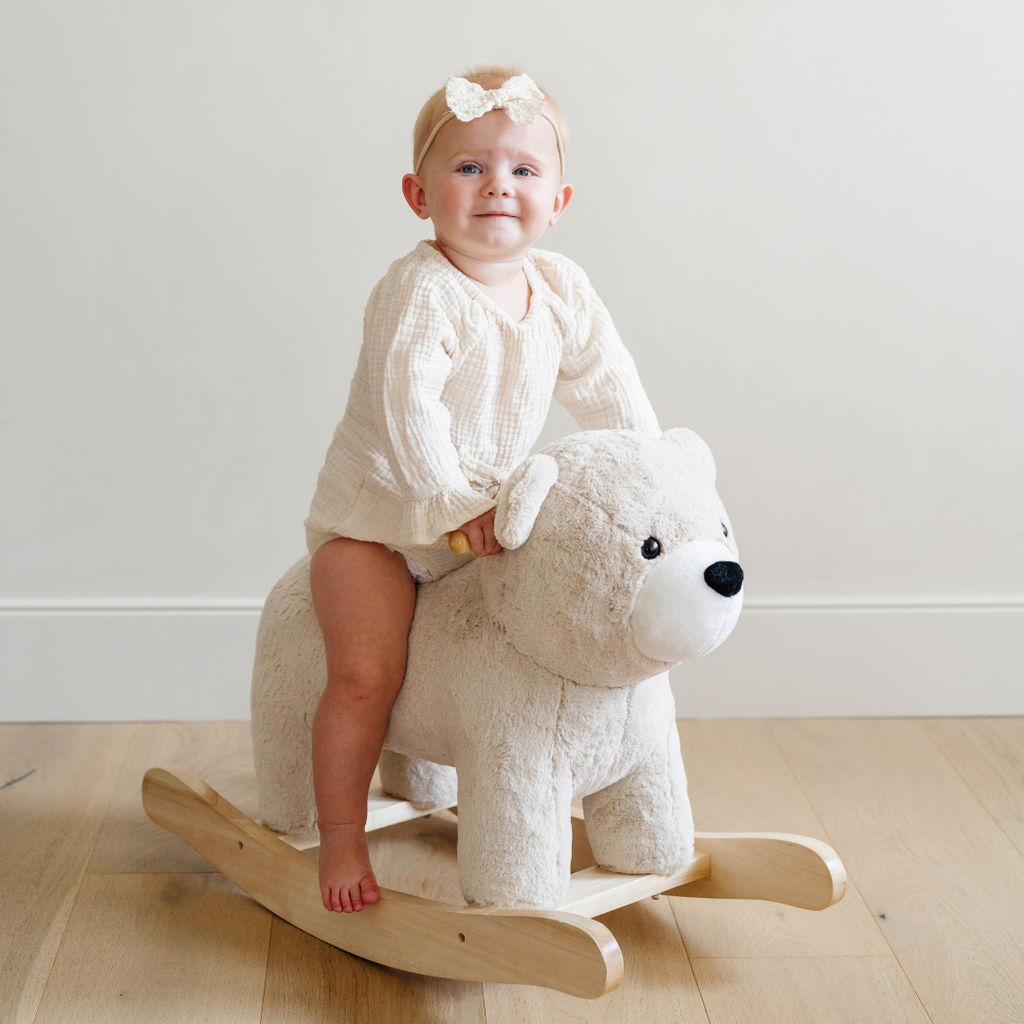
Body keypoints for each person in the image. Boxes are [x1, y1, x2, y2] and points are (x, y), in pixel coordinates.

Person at [306, 63, 661, 913]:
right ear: (418, 192)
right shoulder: (419, 292)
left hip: (487, 513)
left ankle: (513, 786)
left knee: (514, 651)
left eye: (523, 170)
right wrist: (451, 503)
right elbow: (410, 413)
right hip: (382, 521)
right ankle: (342, 841)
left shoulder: (563, 288)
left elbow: (611, 390)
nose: (498, 185)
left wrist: (648, 473)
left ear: (559, 199)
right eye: (470, 167)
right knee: (367, 674)